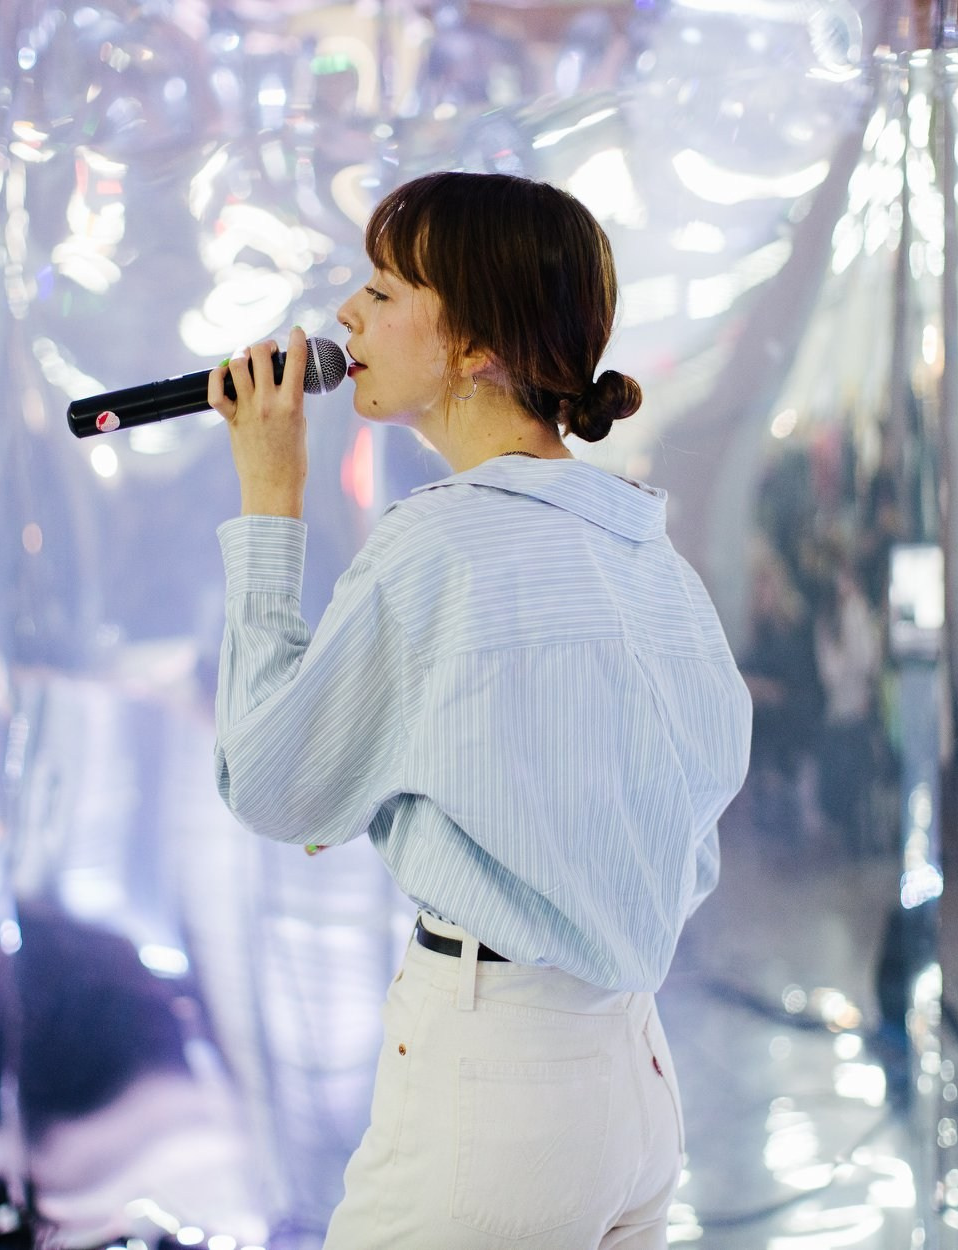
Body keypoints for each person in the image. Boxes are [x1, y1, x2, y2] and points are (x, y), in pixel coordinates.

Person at [206, 171, 752, 1247]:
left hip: (493, 1087)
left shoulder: (441, 543)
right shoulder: (645, 551)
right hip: (633, 1077)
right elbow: (688, 817)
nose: (346, 315)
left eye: (383, 291)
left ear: (475, 348)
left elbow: (270, 782)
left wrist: (270, 494)